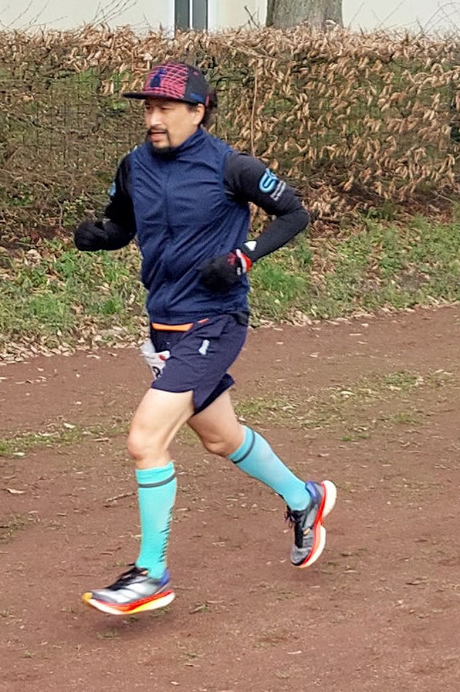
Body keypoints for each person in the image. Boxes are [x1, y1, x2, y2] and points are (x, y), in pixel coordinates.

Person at [71, 62, 324, 615]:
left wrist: (244, 257)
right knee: (219, 438)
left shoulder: (232, 166)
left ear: (197, 110)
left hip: (216, 322)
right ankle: (305, 500)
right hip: (163, 325)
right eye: (147, 107)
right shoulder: (134, 165)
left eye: (163, 108)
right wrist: (100, 236)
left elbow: (295, 211)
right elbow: (122, 223)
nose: (152, 118)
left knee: (145, 441)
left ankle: (151, 573)